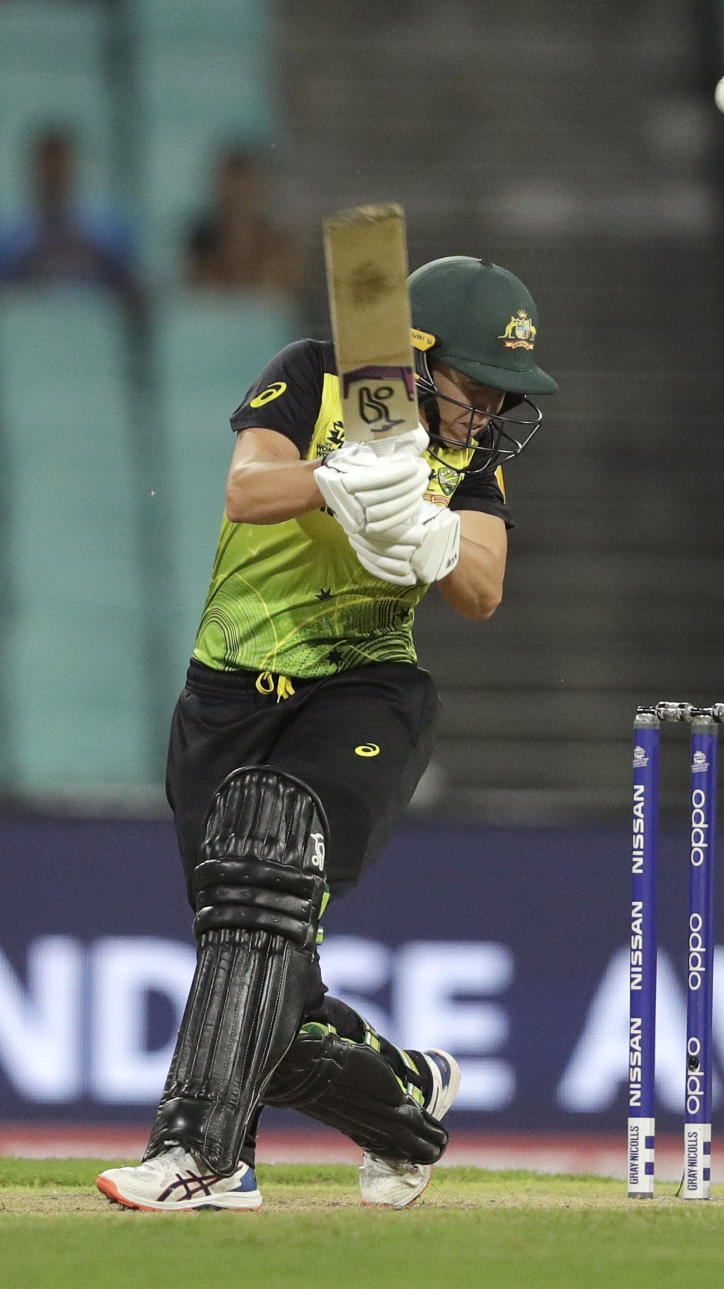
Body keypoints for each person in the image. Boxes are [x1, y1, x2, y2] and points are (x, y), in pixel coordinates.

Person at [96, 254, 557, 1212]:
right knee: (266, 991)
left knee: (268, 845)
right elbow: (248, 489)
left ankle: (202, 1153)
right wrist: (337, 481)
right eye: (478, 387)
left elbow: (484, 586)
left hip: (364, 691)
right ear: (418, 360)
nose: (487, 413)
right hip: (226, 696)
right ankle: (408, 1102)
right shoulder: (315, 373)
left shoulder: (473, 454)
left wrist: (428, 527)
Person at [0, 129, 140, 304]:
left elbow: (133, 287)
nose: (54, 176)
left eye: (60, 168)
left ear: (73, 168)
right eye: (48, 170)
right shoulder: (8, 232)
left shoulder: (109, 227)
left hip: (94, 322)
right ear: (34, 171)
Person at [184, 147, 301, 300]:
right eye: (231, 190)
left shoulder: (280, 247)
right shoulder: (199, 247)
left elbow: (283, 298)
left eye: (244, 190)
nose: (237, 199)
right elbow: (194, 293)